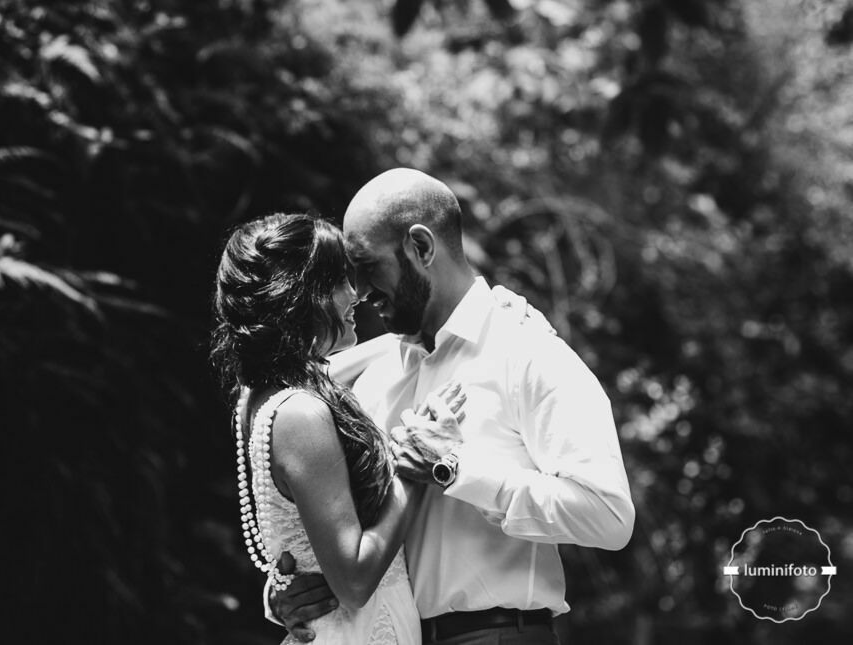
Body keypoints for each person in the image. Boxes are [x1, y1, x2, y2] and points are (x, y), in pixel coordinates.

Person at [271, 169, 636, 645]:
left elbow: (610, 517)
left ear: (421, 248)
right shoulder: (377, 374)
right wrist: (285, 594)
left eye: (368, 266)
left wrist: (457, 468)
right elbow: (341, 522)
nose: (358, 290)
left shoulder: (527, 352)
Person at [212, 213, 469, 644]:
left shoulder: (260, 395)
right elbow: (353, 582)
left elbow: (366, 353)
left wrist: (487, 309)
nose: (356, 294)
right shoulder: (301, 414)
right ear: (301, 295)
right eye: (339, 281)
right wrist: (414, 468)